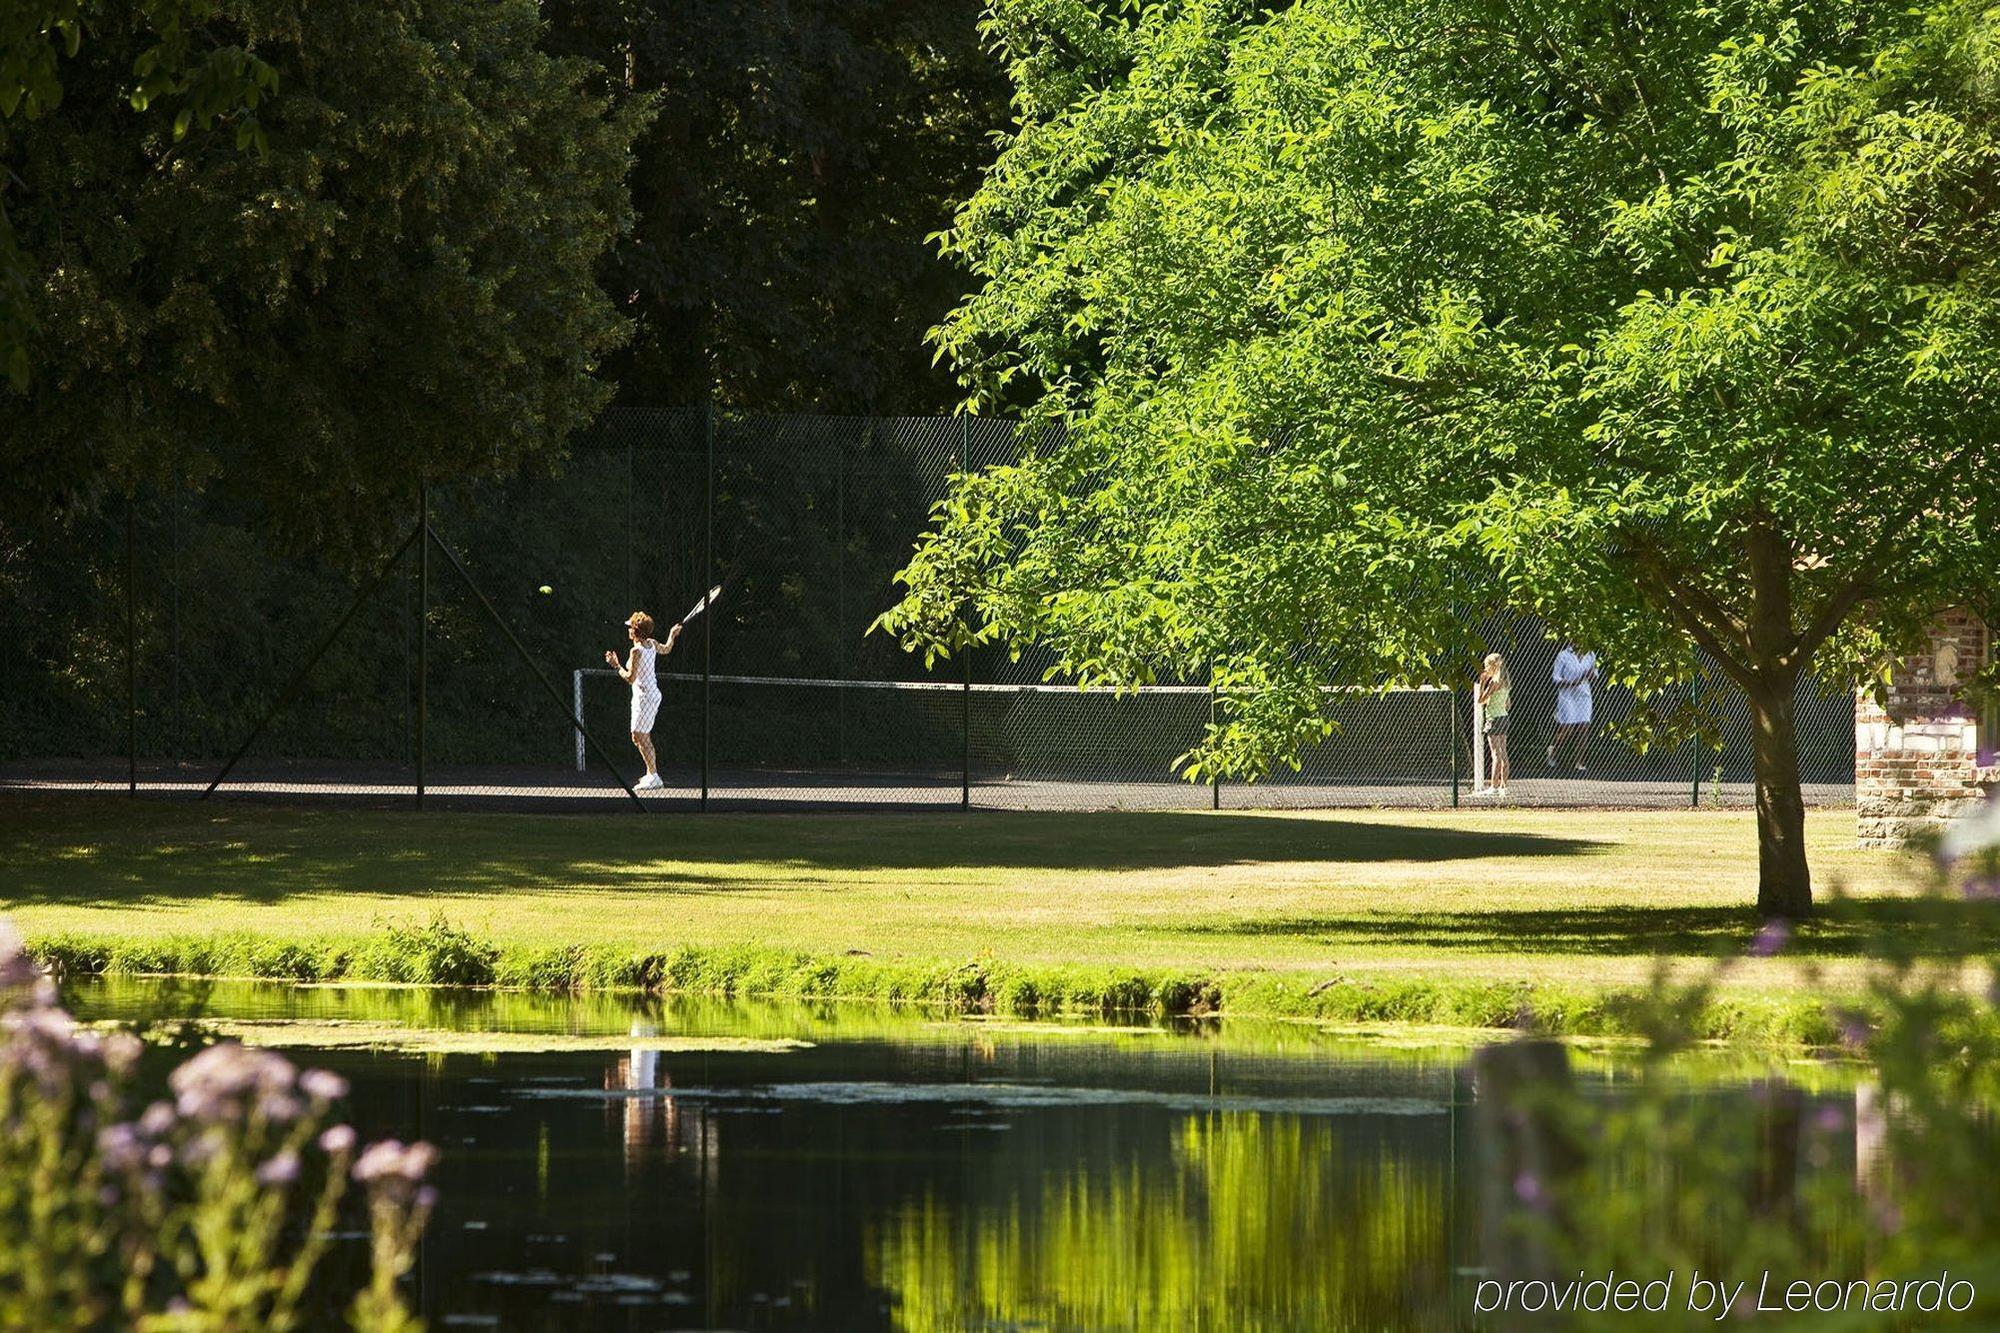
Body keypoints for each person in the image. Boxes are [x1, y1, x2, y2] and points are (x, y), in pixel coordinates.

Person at [607, 612, 681, 790]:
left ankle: (654, 776)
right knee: (638, 736)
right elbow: (667, 648)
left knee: (641, 735)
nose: (628, 630)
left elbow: (630, 678)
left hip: (646, 697)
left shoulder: (636, 651)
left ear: (635, 631)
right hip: (648, 695)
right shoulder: (652, 644)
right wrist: (672, 635)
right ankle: (651, 774)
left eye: (630, 627)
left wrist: (616, 665)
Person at [1547, 641, 1599, 772]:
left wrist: (1591, 675)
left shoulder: (1591, 655)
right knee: (1567, 728)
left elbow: (1595, 674)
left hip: (1584, 696)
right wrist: (1572, 683)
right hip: (1567, 696)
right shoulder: (1563, 655)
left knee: (1584, 727)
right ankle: (1553, 749)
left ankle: (1579, 762)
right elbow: (1556, 678)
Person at [1474, 652, 1511, 797]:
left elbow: (1481, 700)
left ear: (1491, 666)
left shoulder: (1494, 682)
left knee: (1496, 754)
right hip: (1503, 717)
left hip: (1494, 719)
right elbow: (1508, 704)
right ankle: (1504, 785)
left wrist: (1482, 683)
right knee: (1503, 752)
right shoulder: (1506, 681)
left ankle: (1494, 786)